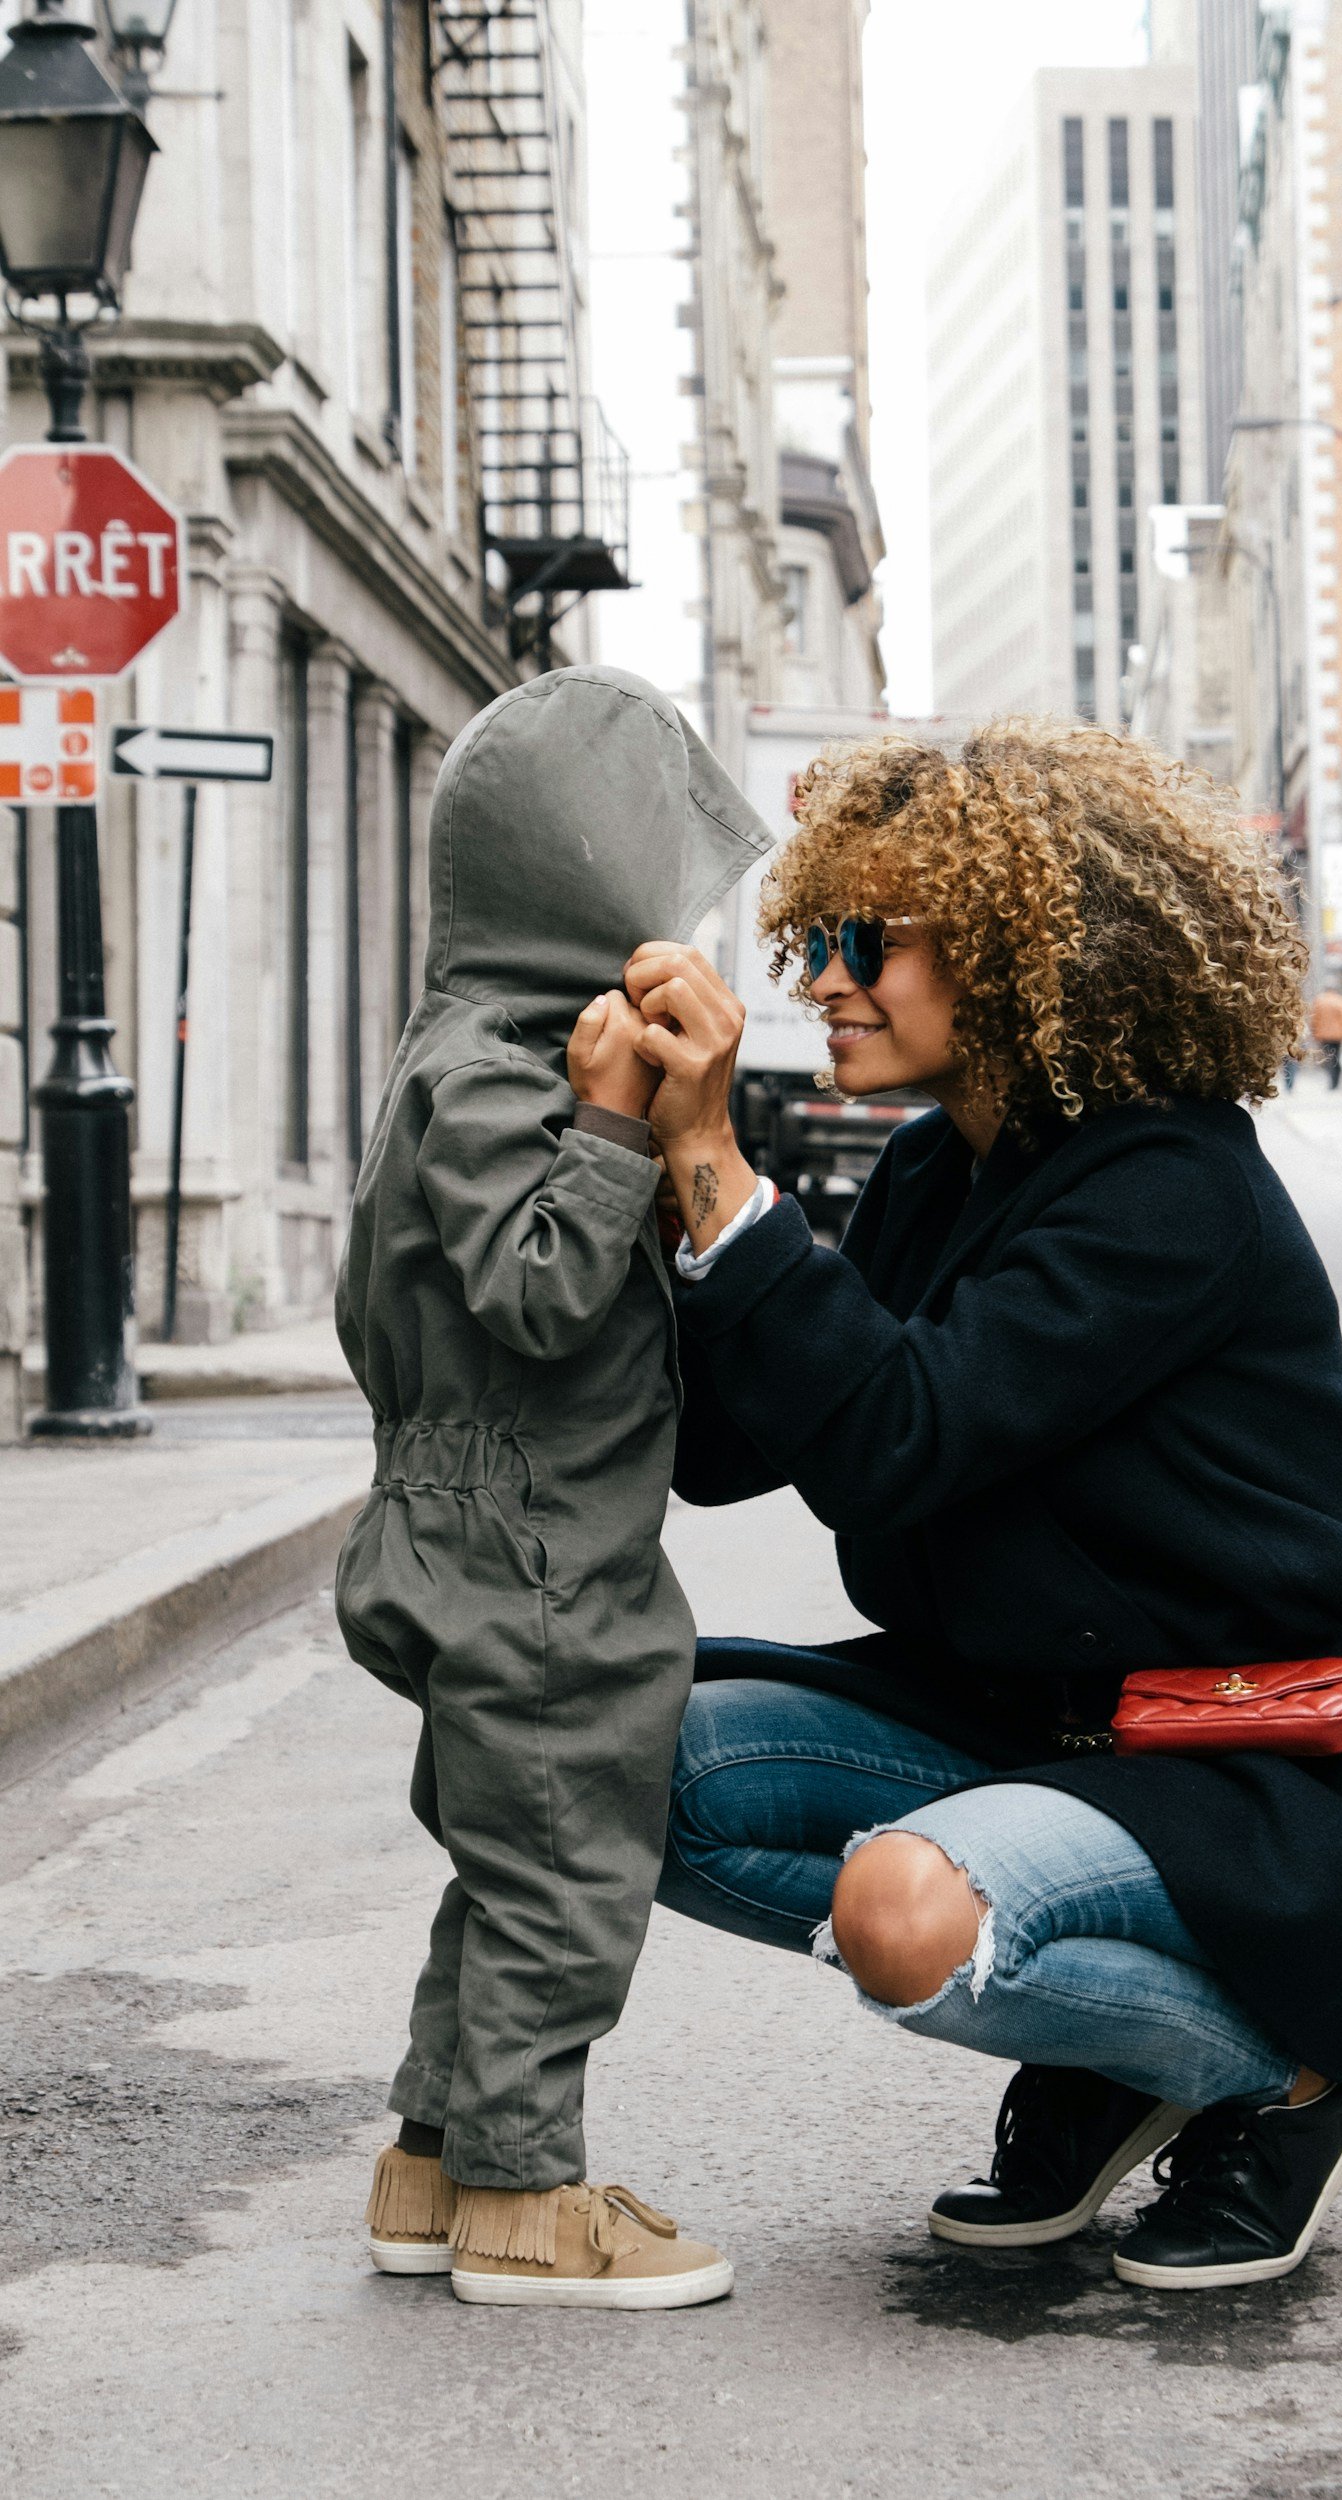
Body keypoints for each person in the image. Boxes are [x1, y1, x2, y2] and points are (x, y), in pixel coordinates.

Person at [628, 719, 1342, 2291]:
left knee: (904, 1918)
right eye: (812, 937)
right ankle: (1112, 2046)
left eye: (862, 941)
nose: (819, 980)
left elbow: (896, 1436)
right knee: (614, 1768)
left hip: (1252, 1768)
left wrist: (721, 1173)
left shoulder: (1167, 1187)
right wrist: (650, 1164)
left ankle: (1276, 2071)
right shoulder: (931, 1177)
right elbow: (731, 1447)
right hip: (1018, 1724)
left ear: (1021, 946)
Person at [334, 665, 769, 2308]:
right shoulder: (513, 1071)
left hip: (473, 1528)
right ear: (581, 879)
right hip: (534, 1558)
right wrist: (610, 1129)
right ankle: (526, 2199)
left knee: (502, 1869)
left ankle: (433, 2164)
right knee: (571, 1883)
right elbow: (533, 1290)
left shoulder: (458, 1047)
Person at [1310, 985, 1342, 1089]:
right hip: (1337, 1035)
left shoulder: (1319, 1001)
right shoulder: (1340, 1001)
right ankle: (1336, 1081)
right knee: (1336, 1056)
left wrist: (1314, 1033)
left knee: (1328, 1057)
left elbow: (1314, 1019)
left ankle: (1331, 1080)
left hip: (1323, 1034)